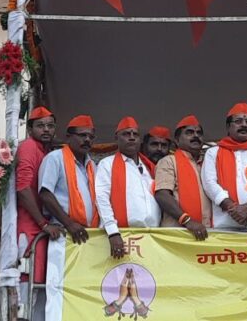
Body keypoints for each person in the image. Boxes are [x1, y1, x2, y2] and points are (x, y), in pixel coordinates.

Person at [14, 106, 60, 320]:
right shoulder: (29, 147)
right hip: (31, 227)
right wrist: (43, 224)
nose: (46, 130)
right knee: (29, 285)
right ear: (30, 128)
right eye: (40, 126)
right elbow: (23, 189)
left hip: (41, 228)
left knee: (43, 284)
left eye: (50, 126)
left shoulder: (46, 152)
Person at [201, 102, 247, 231]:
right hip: (224, 224)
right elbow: (209, 183)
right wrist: (233, 208)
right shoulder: (213, 153)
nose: (244, 125)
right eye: (238, 121)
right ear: (228, 127)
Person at [96, 117, 161, 259]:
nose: (131, 138)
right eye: (126, 134)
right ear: (116, 138)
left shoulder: (150, 167)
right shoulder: (107, 164)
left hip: (152, 238)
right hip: (120, 237)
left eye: (135, 135)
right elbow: (101, 199)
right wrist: (113, 232)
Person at [39, 115, 99, 246]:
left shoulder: (92, 166)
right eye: (82, 135)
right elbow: (45, 194)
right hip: (63, 233)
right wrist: (70, 224)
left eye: (91, 137)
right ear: (69, 136)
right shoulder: (55, 158)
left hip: (89, 234)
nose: (87, 140)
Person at [154, 115, 210, 240]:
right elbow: (162, 195)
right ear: (177, 141)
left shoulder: (207, 165)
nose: (195, 136)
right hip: (178, 236)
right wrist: (187, 220)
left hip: (207, 234)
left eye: (199, 133)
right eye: (189, 132)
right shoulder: (168, 161)